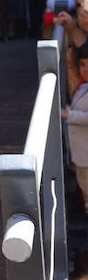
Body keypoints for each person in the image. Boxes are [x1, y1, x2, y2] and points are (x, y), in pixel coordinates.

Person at [64, 42, 88, 213]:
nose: (85, 69)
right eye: (83, 65)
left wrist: (68, 115)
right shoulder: (82, 86)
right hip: (81, 154)